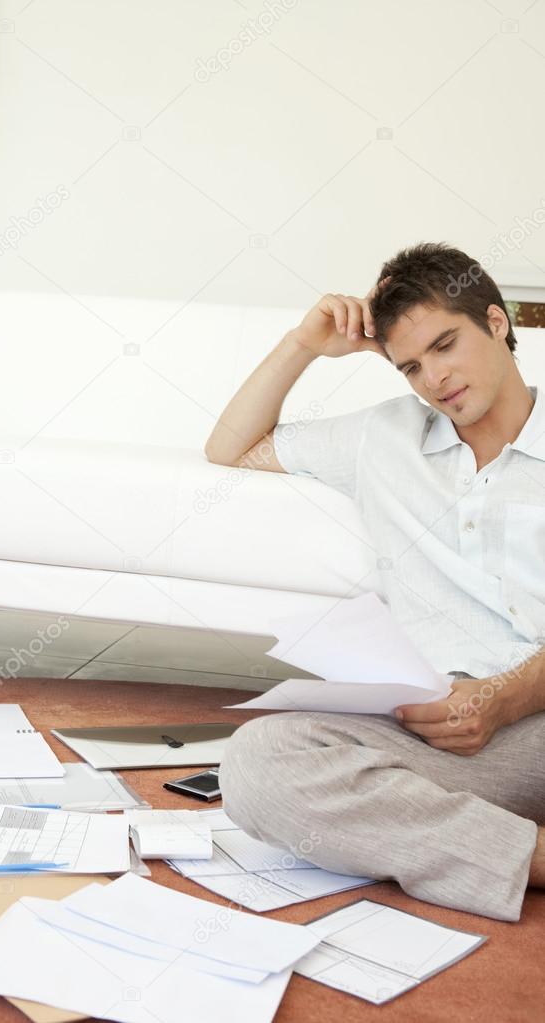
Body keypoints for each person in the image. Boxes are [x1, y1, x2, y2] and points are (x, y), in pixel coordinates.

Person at [205, 242, 545, 921]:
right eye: (412, 366)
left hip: (530, 712)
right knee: (257, 763)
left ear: (497, 323)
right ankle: (530, 857)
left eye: (447, 344)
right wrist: (304, 344)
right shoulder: (383, 437)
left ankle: (440, 830)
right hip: (438, 729)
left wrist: (504, 699)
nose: (435, 378)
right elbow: (229, 447)